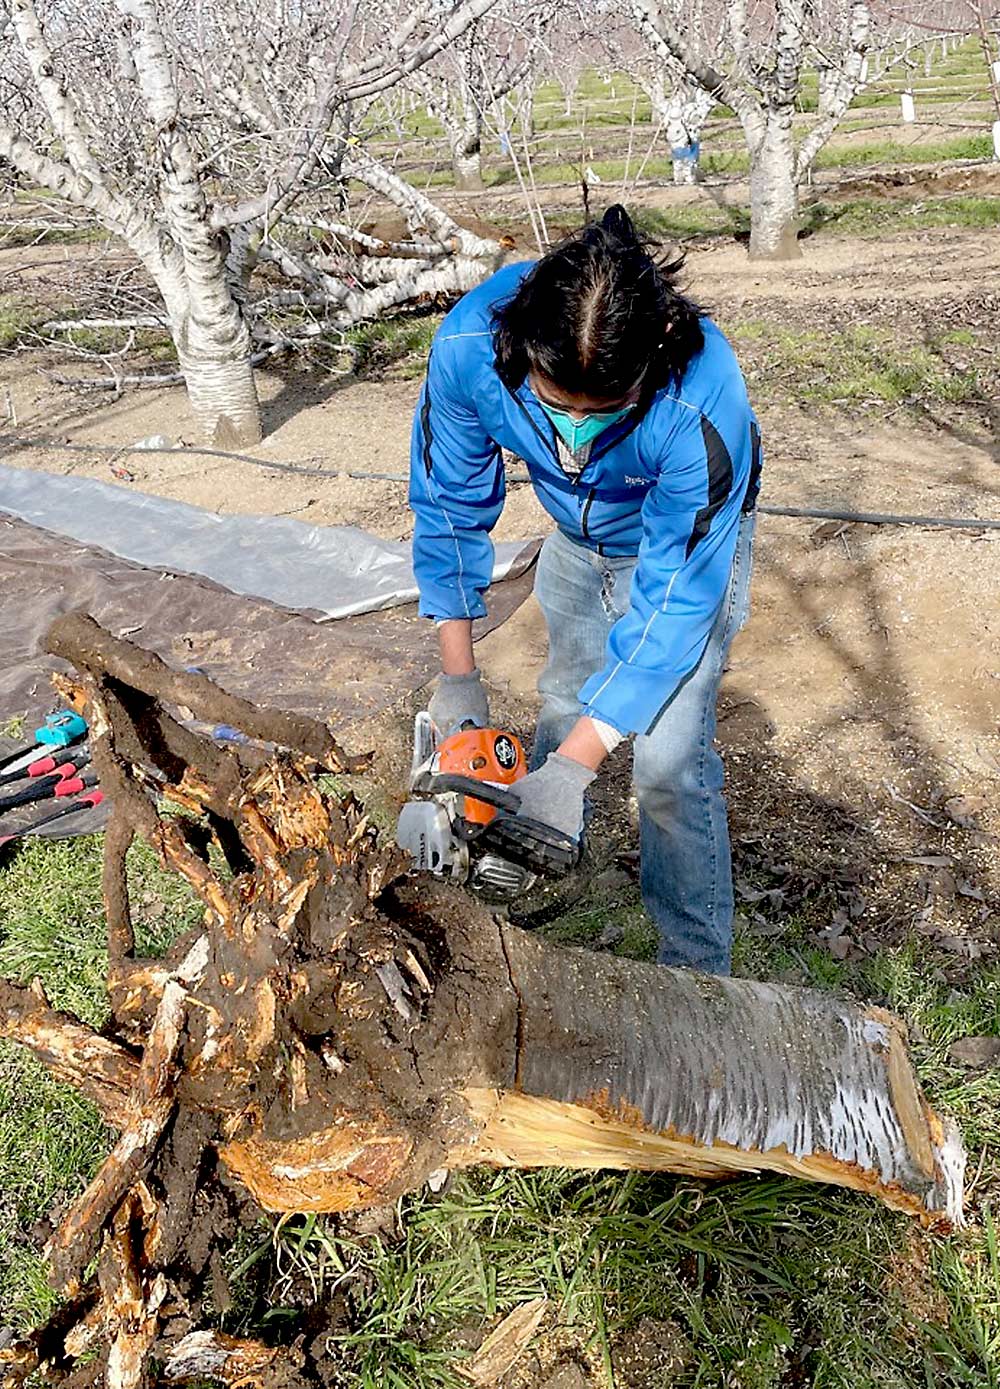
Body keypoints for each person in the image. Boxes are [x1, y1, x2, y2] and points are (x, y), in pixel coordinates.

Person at [408, 205, 761, 975]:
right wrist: (457, 676)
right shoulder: (471, 350)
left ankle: (696, 974)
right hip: (575, 537)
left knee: (669, 765)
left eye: (599, 411)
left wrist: (576, 767)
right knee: (566, 694)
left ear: (654, 356)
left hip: (679, 547)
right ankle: (538, 887)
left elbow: (673, 602)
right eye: (554, 405)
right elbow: (447, 510)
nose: (572, 433)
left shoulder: (699, 404)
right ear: (519, 347)